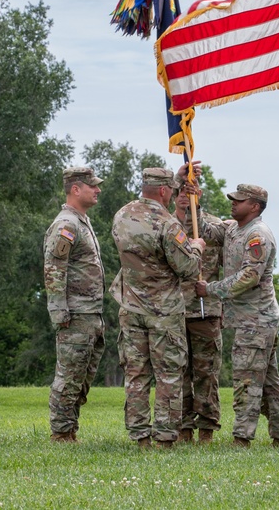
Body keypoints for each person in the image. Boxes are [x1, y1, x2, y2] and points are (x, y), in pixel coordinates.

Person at [182, 184, 279, 448]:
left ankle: (242, 437)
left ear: (254, 206)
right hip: (249, 319)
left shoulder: (257, 235)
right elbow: (202, 229)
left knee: (246, 380)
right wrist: (193, 201)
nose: (233, 203)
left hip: (257, 320)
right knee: (267, 381)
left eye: (239, 200)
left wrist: (210, 290)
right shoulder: (233, 229)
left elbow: (250, 277)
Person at [111, 167, 206, 448]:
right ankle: (165, 437)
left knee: (136, 373)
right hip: (163, 312)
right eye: (173, 190)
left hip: (130, 307)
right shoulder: (167, 223)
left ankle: (140, 435)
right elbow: (188, 268)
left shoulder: (122, 215)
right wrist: (197, 246)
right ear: (164, 191)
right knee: (168, 374)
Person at [44, 166, 107, 443]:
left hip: (90, 312)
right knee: (69, 376)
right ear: (75, 189)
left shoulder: (82, 221)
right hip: (75, 314)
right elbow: (54, 268)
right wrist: (59, 311)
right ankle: (61, 433)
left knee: (82, 376)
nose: (98, 190)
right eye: (92, 186)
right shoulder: (66, 224)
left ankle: (70, 429)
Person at [175, 188, 224, 445]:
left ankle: (207, 428)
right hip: (173, 310)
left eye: (189, 192)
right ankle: (183, 428)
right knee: (178, 372)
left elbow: (230, 267)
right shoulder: (166, 225)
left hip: (206, 310)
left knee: (207, 373)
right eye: (179, 192)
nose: (184, 196)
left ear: (198, 194)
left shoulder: (213, 226)